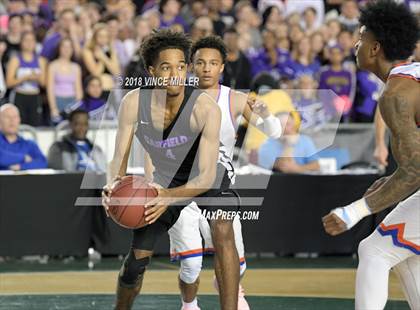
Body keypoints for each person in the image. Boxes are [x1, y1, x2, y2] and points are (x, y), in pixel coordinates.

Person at [102, 29, 240, 310]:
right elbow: (119, 158)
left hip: (207, 174)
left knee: (222, 225)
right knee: (136, 261)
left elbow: (206, 176)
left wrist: (169, 195)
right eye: (166, 67)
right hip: (165, 178)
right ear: (152, 71)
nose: (174, 73)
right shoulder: (132, 103)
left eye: (180, 66)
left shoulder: (204, 107)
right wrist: (112, 184)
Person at [169, 35, 282, 310]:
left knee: (236, 262)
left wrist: (266, 115)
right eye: (201, 62)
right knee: (192, 264)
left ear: (222, 67)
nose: (207, 67)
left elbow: (274, 132)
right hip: (183, 190)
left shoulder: (235, 99)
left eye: (213, 63)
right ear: (192, 66)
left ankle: (231, 289)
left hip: (219, 188)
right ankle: (189, 304)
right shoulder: (176, 97)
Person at [322, 1, 420, 309]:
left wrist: (354, 211)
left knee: (375, 252)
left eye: (361, 38)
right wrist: (391, 180)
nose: (355, 44)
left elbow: (415, 170)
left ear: (375, 48)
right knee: (399, 252)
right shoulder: (410, 79)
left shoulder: (395, 95)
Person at [6, 31, 46, 126]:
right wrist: (25, 78)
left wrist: (36, 78)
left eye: (32, 40)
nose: (29, 43)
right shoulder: (15, 60)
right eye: (26, 40)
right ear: (21, 42)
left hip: (34, 97)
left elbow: (44, 83)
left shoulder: (41, 60)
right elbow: (9, 82)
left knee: (35, 124)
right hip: (20, 96)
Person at [0, 103, 47, 170]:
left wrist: (20, 167)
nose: (12, 120)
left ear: (19, 120)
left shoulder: (29, 144)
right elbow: (1, 158)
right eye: (7, 117)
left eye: (15, 117)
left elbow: (42, 162)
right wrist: (23, 158)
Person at [47, 38, 83, 124]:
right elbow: (50, 88)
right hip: (58, 100)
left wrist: (77, 104)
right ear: (59, 48)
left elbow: (78, 89)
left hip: (72, 102)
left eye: (69, 47)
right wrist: (53, 108)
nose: (67, 49)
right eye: (64, 47)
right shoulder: (53, 66)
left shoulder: (76, 67)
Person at [82, 23, 120, 101]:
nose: (103, 39)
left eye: (106, 36)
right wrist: (100, 59)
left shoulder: (111, 50)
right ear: (95, 37)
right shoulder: (88, 51)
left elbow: (116, 72)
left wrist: (103, 57)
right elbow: (96, 73)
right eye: (100, 36)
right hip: (96, 90)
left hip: (111, 90)